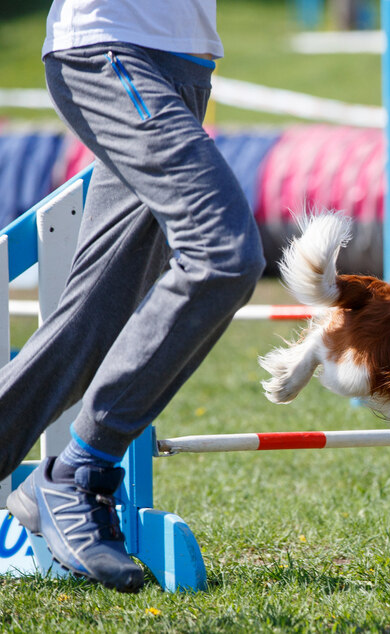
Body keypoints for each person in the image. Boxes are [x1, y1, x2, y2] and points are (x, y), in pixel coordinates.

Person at [3, 0, 266, 593]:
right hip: (111, 51)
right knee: (223, 254)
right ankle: (78, 473)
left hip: (182, 64)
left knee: (91, 325)